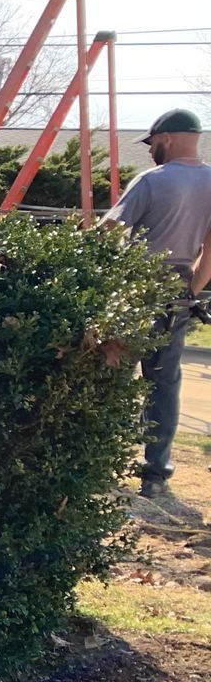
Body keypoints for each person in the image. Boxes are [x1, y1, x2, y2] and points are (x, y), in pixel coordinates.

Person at [105, 108, 211, 497]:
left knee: (115, 371)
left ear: (166, 138)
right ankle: (154, 475)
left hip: (137, 283)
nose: (151, 152)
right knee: (163, 381)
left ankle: (101, 462)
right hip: (179, 287)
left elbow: (110, 230)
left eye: (152, 144)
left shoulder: (152, 180)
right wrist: (193, 289)